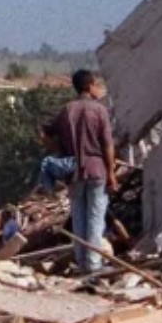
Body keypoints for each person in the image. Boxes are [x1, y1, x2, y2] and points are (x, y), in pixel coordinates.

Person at [43, 69, 118, 273]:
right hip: (97, 170)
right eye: (96, 84)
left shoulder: (67, 110)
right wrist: (111, 173)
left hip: (73, 171)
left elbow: (45, 131)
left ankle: (82, 262)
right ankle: (93, 265)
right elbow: (107, 145)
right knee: (95, 219)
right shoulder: (100, 110)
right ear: (89, 86)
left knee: (78, 218)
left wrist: (56, 151)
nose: (98, 88)